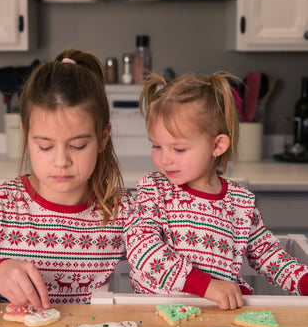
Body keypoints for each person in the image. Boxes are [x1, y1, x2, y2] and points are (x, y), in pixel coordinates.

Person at [0, 49, 133, 308]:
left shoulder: (124, 212)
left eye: (78, 145)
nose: (61, 161)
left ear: (102, 139)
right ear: (26, 138)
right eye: (46, 147)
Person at [125, 71, 308, 309]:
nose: (164, 159)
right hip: (156, 312)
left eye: (178, 149)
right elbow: (143, 248)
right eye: (156, 145)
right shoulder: (154, 191)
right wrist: (205, 285)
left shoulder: (240, 203)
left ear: (217, 145)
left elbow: (268, 255)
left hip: (217, 317)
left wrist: (303, 281)